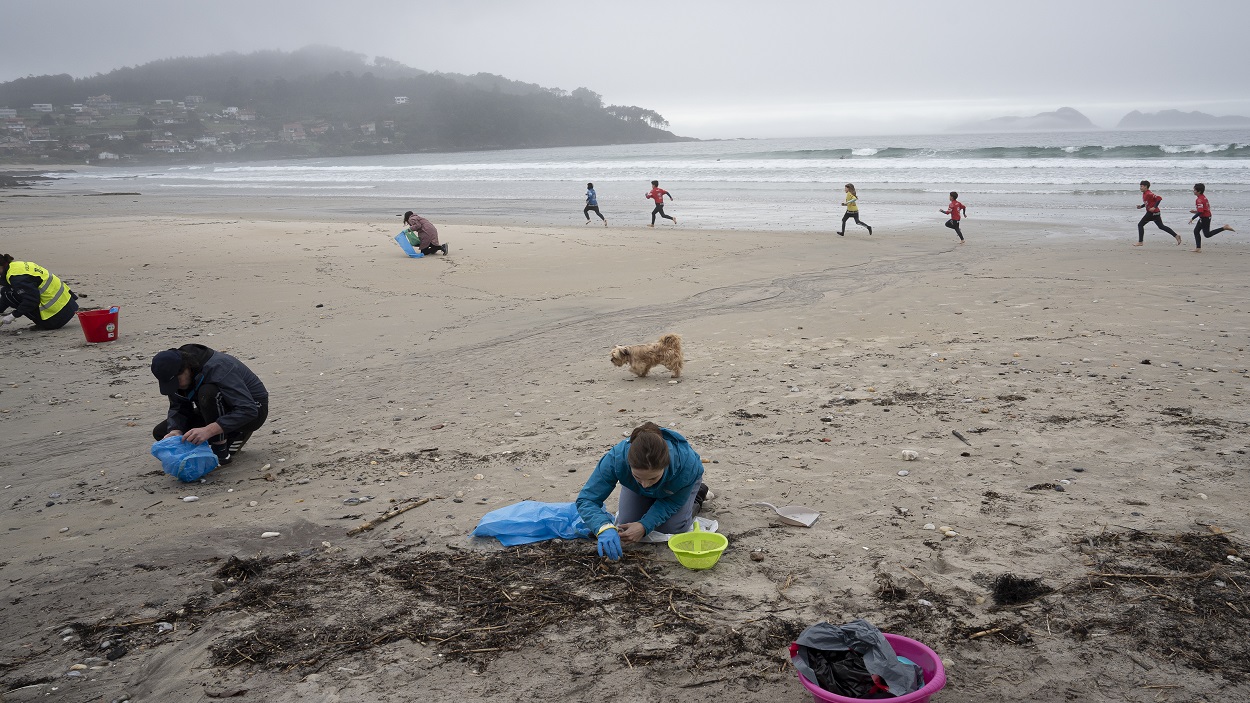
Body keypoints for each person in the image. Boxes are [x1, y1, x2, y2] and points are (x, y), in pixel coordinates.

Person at [576, 422, 711, 560]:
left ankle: (698, 495)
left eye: (653, 478)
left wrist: (644, 525)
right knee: (626, 523)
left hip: (675, 489)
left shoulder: (687, 466)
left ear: (665, 466)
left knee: (672, 528)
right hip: (635, 488)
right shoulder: (616, 459)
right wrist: (603, 527)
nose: (646, 485)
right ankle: (646, 481)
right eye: (637, 476)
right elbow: (587, 499)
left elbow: (672, 502)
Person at [151, 343, 269, 466]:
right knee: (161, 433)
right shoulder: (176, 377)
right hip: (216, 408)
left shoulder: (219, 366)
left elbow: (248, 410)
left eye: (177, 381)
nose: (176, 386)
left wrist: (209, 430)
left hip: (254, 411)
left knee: (208, 392)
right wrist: (175, 430)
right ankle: (219, 441)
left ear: (187, 368)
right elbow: (179, 407)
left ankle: (222, 450)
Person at [0, 254, 79, 331]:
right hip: (70, 306)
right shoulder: (17, 266)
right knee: (8, 290)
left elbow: (32, 300)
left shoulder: (17, 278)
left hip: (55, 318)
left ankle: (44, 324)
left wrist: (13, 315)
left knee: (8, 294)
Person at [1187, 183, 1235, 253]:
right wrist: (1195, 211)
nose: (1193, 191)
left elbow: (1200, 212)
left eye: (1194, 190)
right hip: (1205, 216)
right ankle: (1198, 248)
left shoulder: (1199, 200)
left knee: (1207, 234)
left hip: (1205, 218)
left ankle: (1224, 228)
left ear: (1199, 191)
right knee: (1196, 231)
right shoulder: (1203, 197)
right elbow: (1203, 210)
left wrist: (1192, 218)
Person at [1133, 180, 1181, 247]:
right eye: (1140, 186)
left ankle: (1140, 242)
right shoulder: (1145, 194)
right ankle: (1176, 236)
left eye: (1141, 186)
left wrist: (1154, 207)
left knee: (1140, 225)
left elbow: (1159, 198)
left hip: (1151, 213)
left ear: (1146, 187)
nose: (1140, 188)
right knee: (1161, 226)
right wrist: (1141, 206)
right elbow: (1148, 202)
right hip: (1156, 213)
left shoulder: (1149, 193)